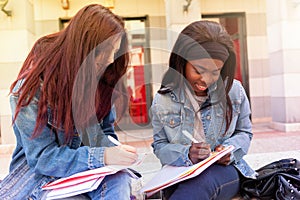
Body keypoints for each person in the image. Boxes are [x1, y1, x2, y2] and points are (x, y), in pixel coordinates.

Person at [0, 4, 138, 200]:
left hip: (91, 173)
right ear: (83, 48)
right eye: (105, 51)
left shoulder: (100, 77)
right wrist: (103, 156)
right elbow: (43, 158)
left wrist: (115, 151)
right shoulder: (32, 89)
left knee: (121, 180)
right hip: (41, 176)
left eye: (114, 52)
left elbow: (105, 131)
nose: (109, 60)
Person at [151, 20, 256, 200]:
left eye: (215, 72)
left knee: (202, 184)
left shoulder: (234, 91)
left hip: (225, 171)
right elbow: (159, 146)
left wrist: (230, 149)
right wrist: (187, 154)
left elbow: (245, 132)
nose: (206, 80)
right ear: (182, 62)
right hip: (180, 173)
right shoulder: (163, 100)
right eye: (199, 70)